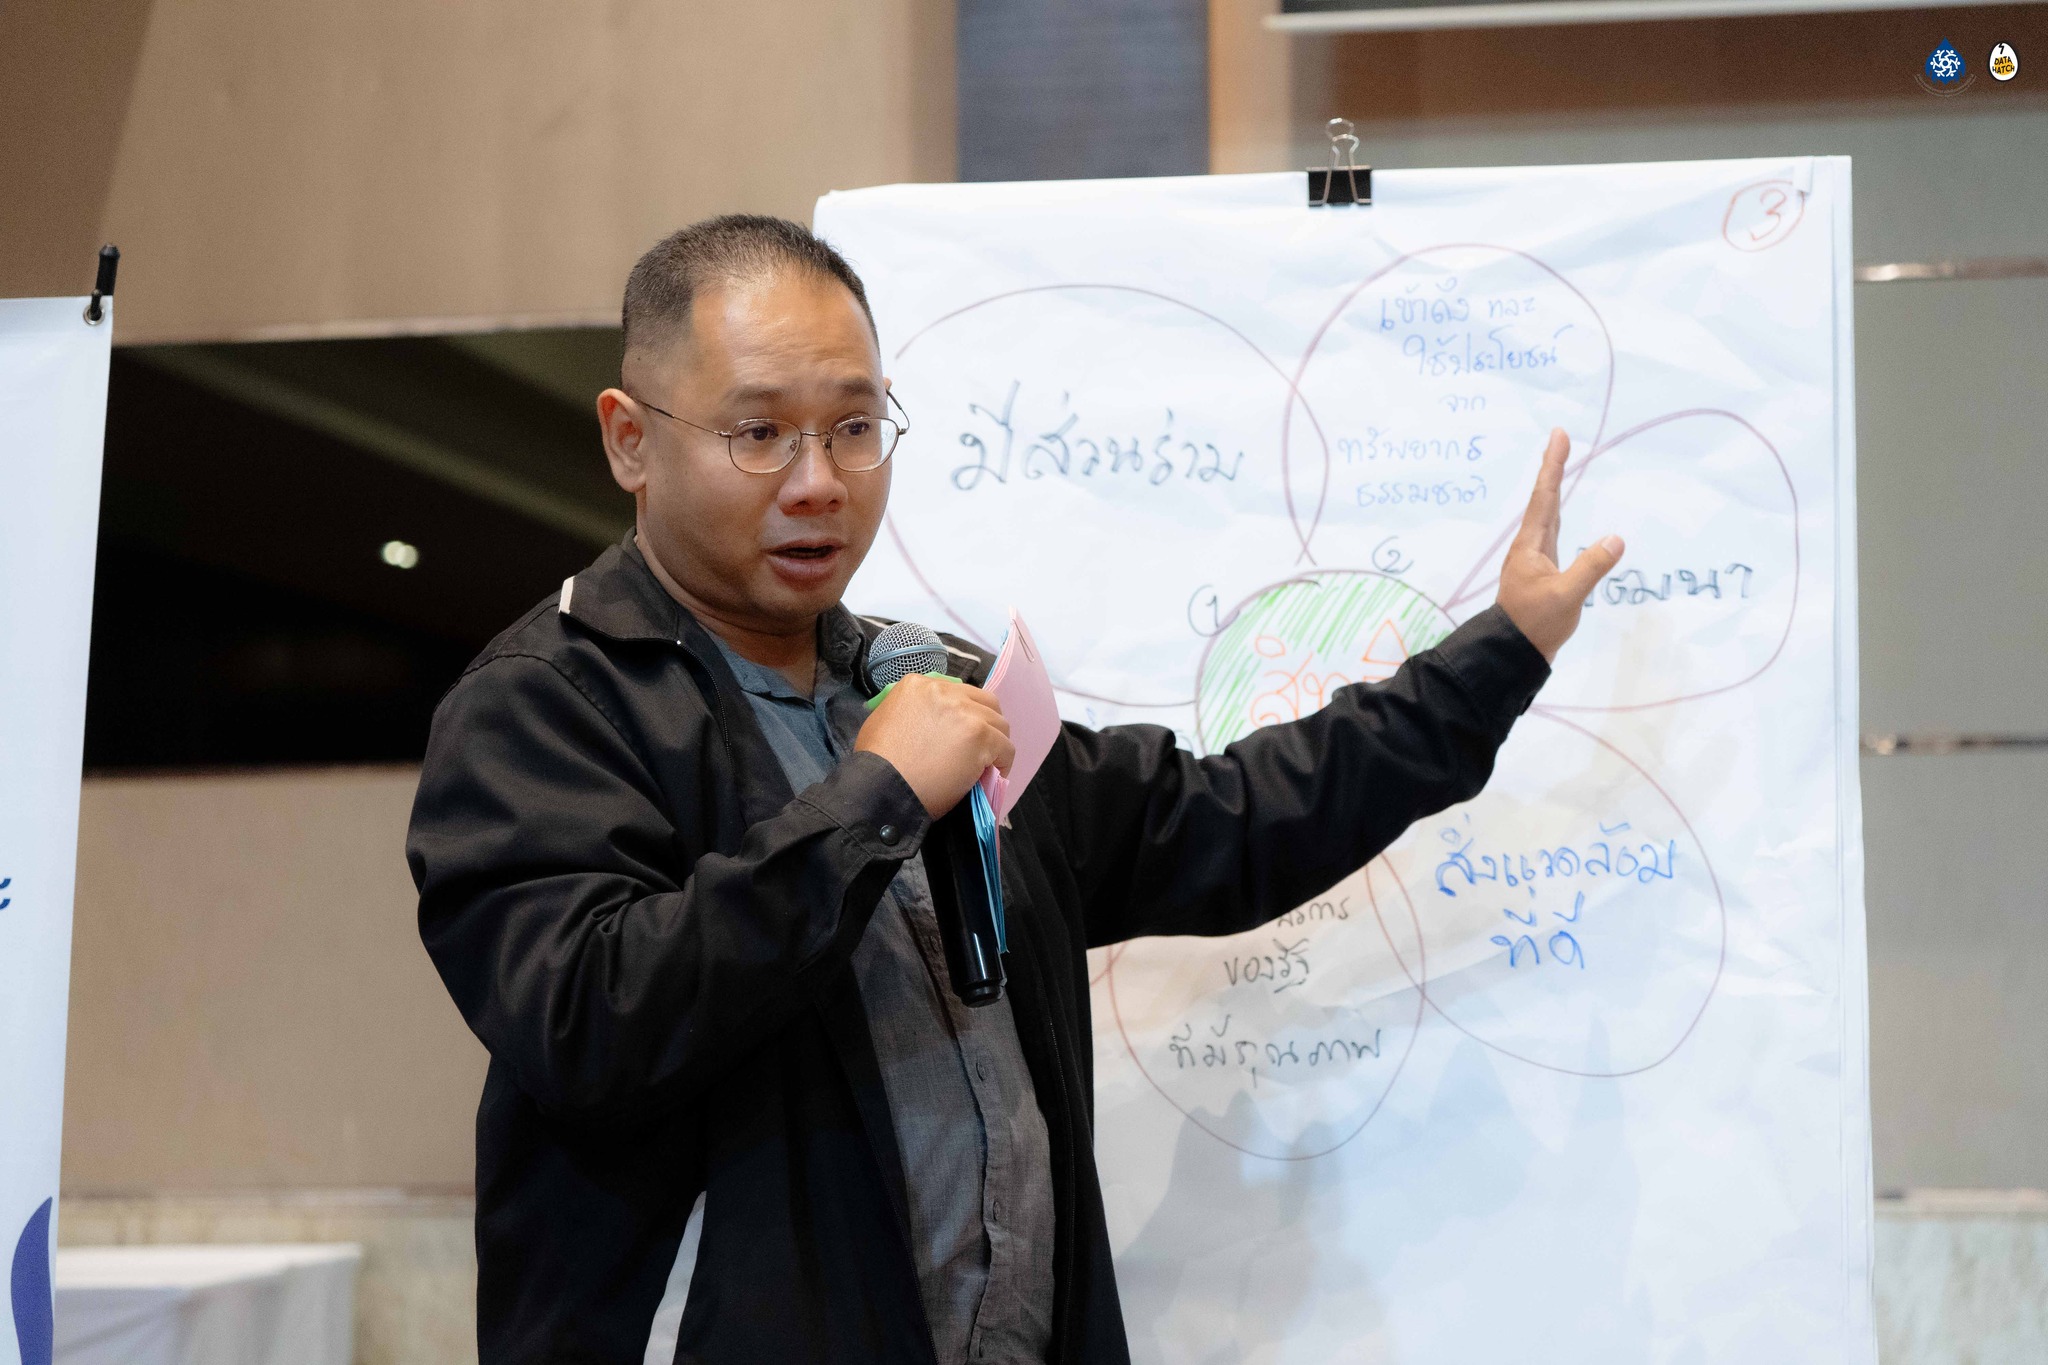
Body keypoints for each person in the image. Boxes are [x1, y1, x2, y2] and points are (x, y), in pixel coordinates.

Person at [407, 214, 1625, 1365]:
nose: (818, 480)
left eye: (852, 426)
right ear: (629, 438)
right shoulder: (545, 705)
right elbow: (591, 1021)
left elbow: (1228, 819)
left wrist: (1496, 656)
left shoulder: (929, 687)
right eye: (758, 432)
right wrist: (875, 800)